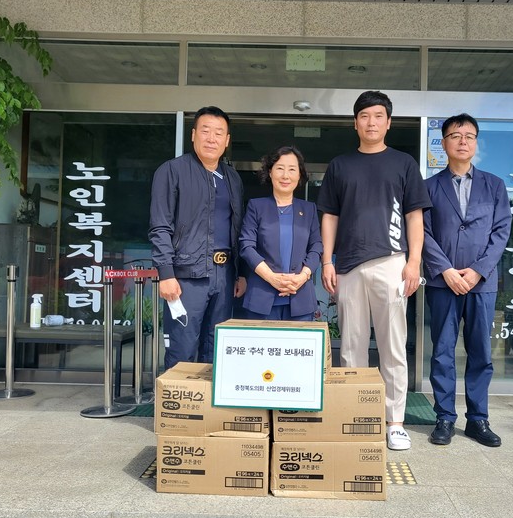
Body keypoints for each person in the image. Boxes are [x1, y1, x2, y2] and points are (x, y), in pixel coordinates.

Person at [318, 91, 432, 451]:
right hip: (349, 265)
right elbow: (329, 216)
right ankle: (355, 415)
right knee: (350, 346)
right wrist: (327, 260)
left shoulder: (403, 163)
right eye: (365, 116)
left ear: (388, 122)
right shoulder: (340, 165)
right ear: (355, 123)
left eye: (378, 116)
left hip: (391, 262)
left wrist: (414, 262)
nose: (371, 122)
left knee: (392, 346)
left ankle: (394, 421)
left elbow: (415, 216)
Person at [422, 113, 511, 447]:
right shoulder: (429, 187)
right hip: (442, 282)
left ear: (476, 143)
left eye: (469, 136)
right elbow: (423, 233)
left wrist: (477, 270)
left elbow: (501, 231)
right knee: (442, 352)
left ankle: (478, 419)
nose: (463, 141)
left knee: (480, 352)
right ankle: (445, 417)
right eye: (456, 136)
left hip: (481, 283)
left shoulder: (494, 185)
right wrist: (445, 270)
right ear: (444, 143)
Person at [149, 106, 246, 368]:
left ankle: (208, 398)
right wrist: (166, 274)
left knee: (217, 349)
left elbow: (237, 229)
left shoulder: (232, 178)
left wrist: (241, 273)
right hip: (186, 276)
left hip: (225, 275)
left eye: (219, 133)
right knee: (182, 349)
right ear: (193, 135)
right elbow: (160, 226)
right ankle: (176, 396)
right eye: (205, 131)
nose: (211, 138)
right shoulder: (172, 171)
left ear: (227, 140)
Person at [240, 145, 322, 321]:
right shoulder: (256, 206)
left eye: (292, 169)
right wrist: (272, 278)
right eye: (280, 168)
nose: (285, 176)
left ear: (299, 175)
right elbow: (246, 246)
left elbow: (316, 246)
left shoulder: (309, 209)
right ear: (270, 172)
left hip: (300, 298)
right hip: (261, 298)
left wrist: (302, 277)